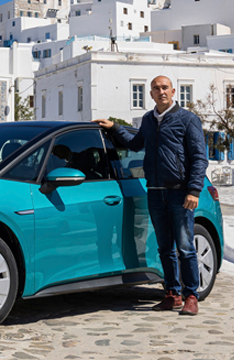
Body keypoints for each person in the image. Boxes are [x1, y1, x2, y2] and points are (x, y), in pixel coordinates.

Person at [94, 75, 208, 316]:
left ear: (173, 91)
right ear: (151, 94)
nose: (161, 91)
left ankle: (191, 296)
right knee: (164, 247)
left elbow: (199, 157)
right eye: (156, 89)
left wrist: (194, 190)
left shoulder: (187, 120)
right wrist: (115, 127)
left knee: (186, 247)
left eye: (165, 87)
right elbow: (135, 144)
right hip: (155, 191)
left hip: (180, 193)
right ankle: (172, 293)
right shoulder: (148, 119)